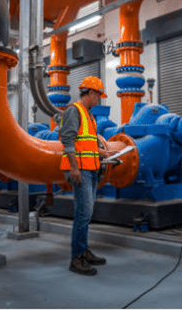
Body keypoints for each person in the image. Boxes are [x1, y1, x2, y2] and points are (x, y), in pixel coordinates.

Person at [60, 76, 112, 276]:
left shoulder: (89, 115)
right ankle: (77, 258)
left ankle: (84, 250)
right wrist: (73, 168)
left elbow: (87, 144)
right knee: (83, 213)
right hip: (80, 169)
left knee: (87, 213)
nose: (98, 100)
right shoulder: (75, 110)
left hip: (91, 168)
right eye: (98, 96)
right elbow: (68, 140)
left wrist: (103, 153)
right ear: (91, 93)